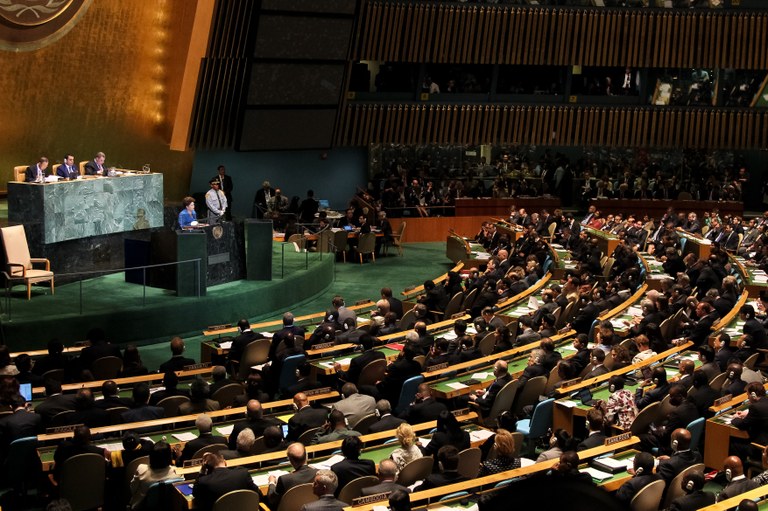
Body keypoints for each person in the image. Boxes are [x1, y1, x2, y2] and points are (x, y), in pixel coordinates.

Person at [192, 451, 258, 511]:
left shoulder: (204, 481)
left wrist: (202, 471)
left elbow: (195, 494)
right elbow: (257, 493)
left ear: (208, 468)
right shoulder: (242, 473)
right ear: (225, 462)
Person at [129, 440, 177, 509]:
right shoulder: (177, 473)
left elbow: (132, 489)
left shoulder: (141, 469)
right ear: (170, 457)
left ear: (151, 456)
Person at [268, 443, 319, 508]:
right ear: (306, 455)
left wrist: (271, 482)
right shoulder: (319, 473)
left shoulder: (284, 479)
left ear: (290, 460)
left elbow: (272, 501)